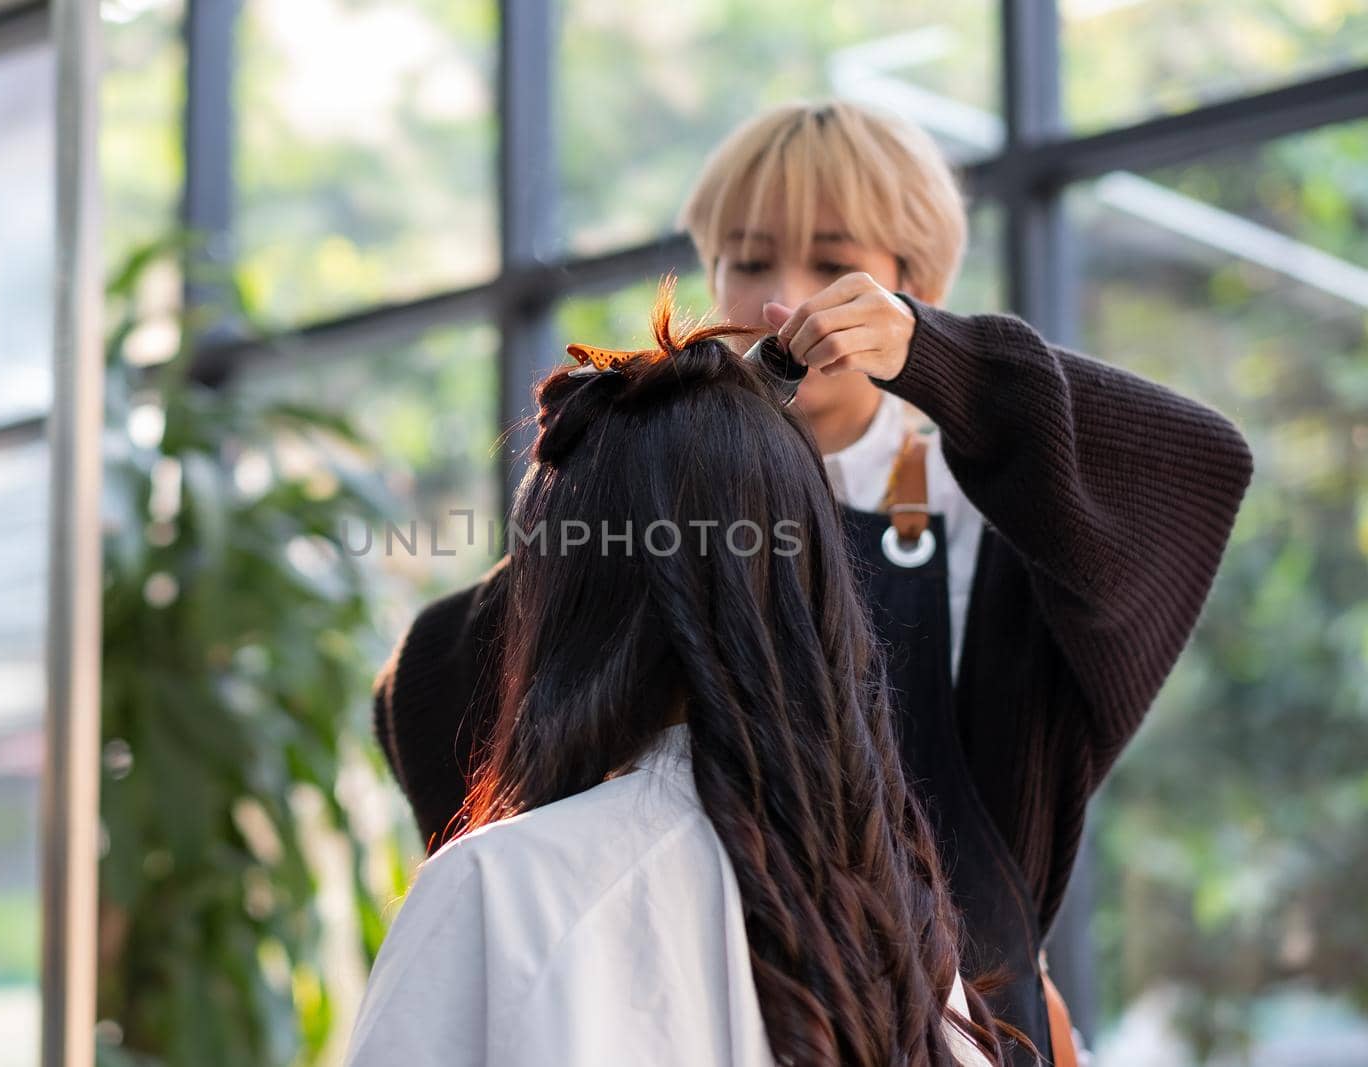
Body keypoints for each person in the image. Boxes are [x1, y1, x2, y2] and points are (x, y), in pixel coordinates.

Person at [370, 100, 1254, 1065]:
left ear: (913, 285)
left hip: (962, 1027)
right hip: (697, 1011)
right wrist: (645, 464)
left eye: (834, 264)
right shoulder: (662, 511)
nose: (782, 300)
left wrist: (943, 359)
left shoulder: (988, 517)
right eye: (748, 261)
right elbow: (431, 683)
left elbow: (1193, 465)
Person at [345, 287, 1002, 1066]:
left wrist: (595, 499)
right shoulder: (891, 937)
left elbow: (426, 661)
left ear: (560, 597)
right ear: (814, 591)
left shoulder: (497, 889)